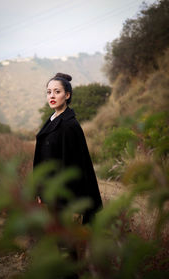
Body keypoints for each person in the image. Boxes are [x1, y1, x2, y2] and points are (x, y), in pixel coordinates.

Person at [33, 72, 102, 224]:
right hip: (52, 196)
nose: (52, 96)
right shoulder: (52, 120)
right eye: (49, 92)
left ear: (67, 95)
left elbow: (76, 168)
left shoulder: (69, 125)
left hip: (67, 200)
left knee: (69, 244)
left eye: (57, 92)